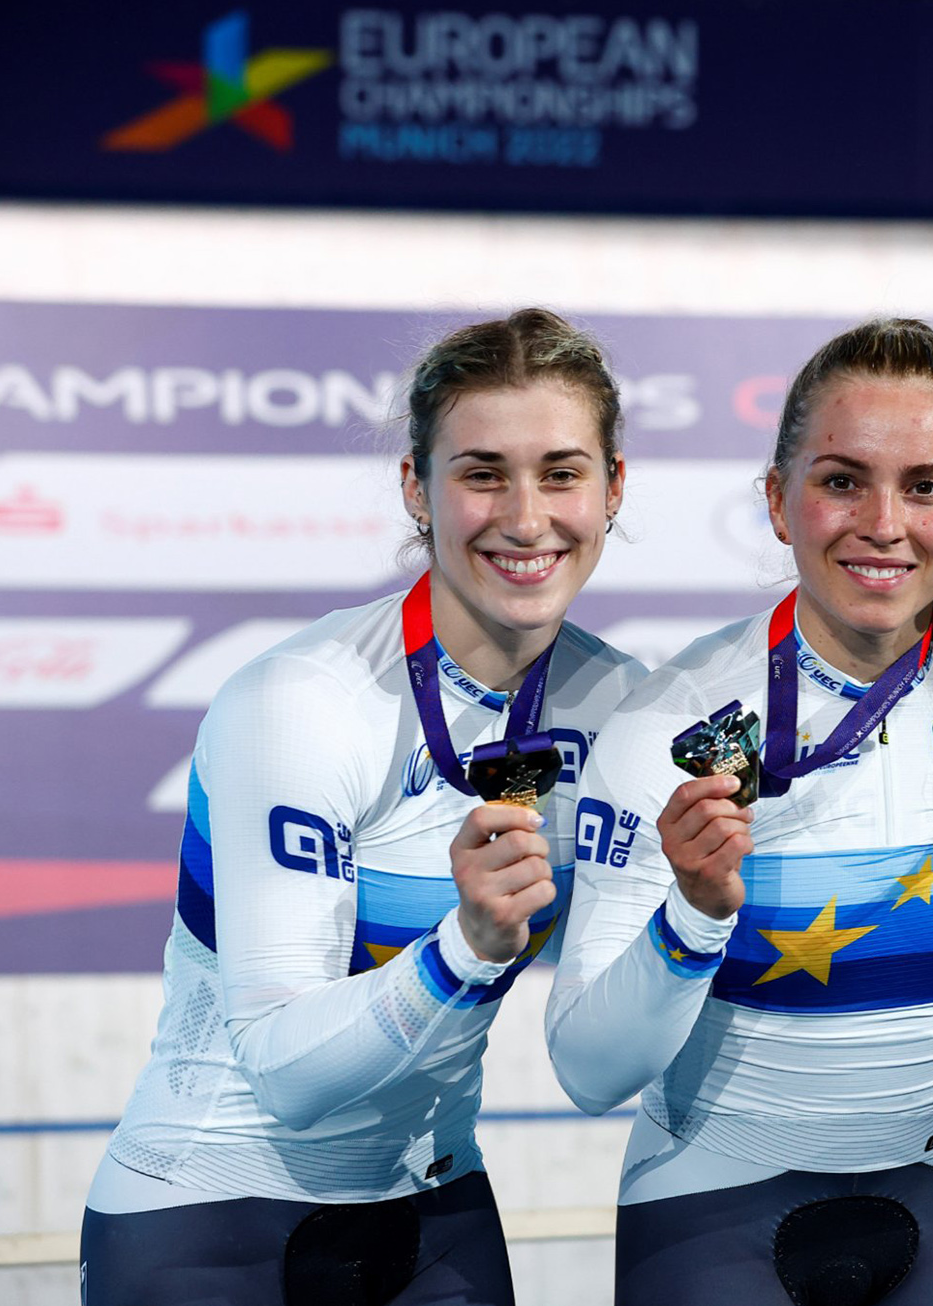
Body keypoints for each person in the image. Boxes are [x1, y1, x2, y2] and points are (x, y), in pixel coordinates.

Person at [545, 319, 933, 1305]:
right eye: (842, 480)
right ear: (778, 503)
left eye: (923, 486)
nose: (883, 521)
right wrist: (694, 914)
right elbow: (586, 1067)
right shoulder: (666, 724)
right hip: (713, 1204)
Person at [80, 309, 645, 1306]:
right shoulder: (303, 701)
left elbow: (604, 1063)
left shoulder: (625, 707)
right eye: (481, 473)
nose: (525, 517)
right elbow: (290, 1077)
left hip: (434, 1217)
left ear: (614, 487)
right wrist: (465, 946)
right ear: (416, 489)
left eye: (561, 472)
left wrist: (699, 910)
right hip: (210, 1222)